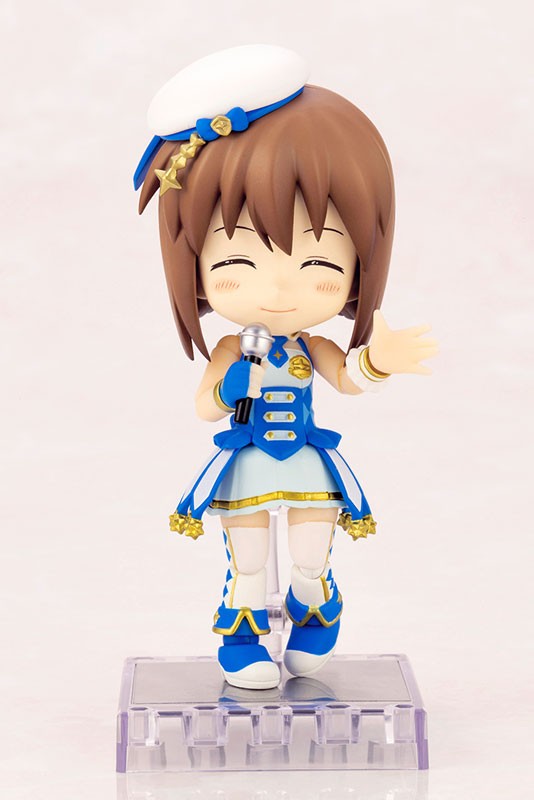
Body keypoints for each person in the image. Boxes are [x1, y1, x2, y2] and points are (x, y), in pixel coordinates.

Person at [134, 45, 438, 690]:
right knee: (247, 563)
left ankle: (314, 611)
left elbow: (346, 378)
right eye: (236, 264)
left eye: (320, 265)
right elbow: (205, 407)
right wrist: (232, 382)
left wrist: (378, 362)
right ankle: (243, 638)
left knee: (308, 556)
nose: (277, 289)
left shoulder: (311, 347)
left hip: (304, 460)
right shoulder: (231, 347)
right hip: (246, 460)